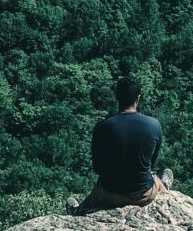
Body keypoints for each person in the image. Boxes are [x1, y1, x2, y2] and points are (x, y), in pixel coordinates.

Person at [67, 77, 173, 215]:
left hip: (109, 195)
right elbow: (150, 164)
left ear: (117, 97)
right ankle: (164, 188)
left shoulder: (102, 127)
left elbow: (97, 168)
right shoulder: (154, 125)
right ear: (138, 98)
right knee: (152, 177)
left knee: (94, 193)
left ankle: (75, 211)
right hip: (143, 195)